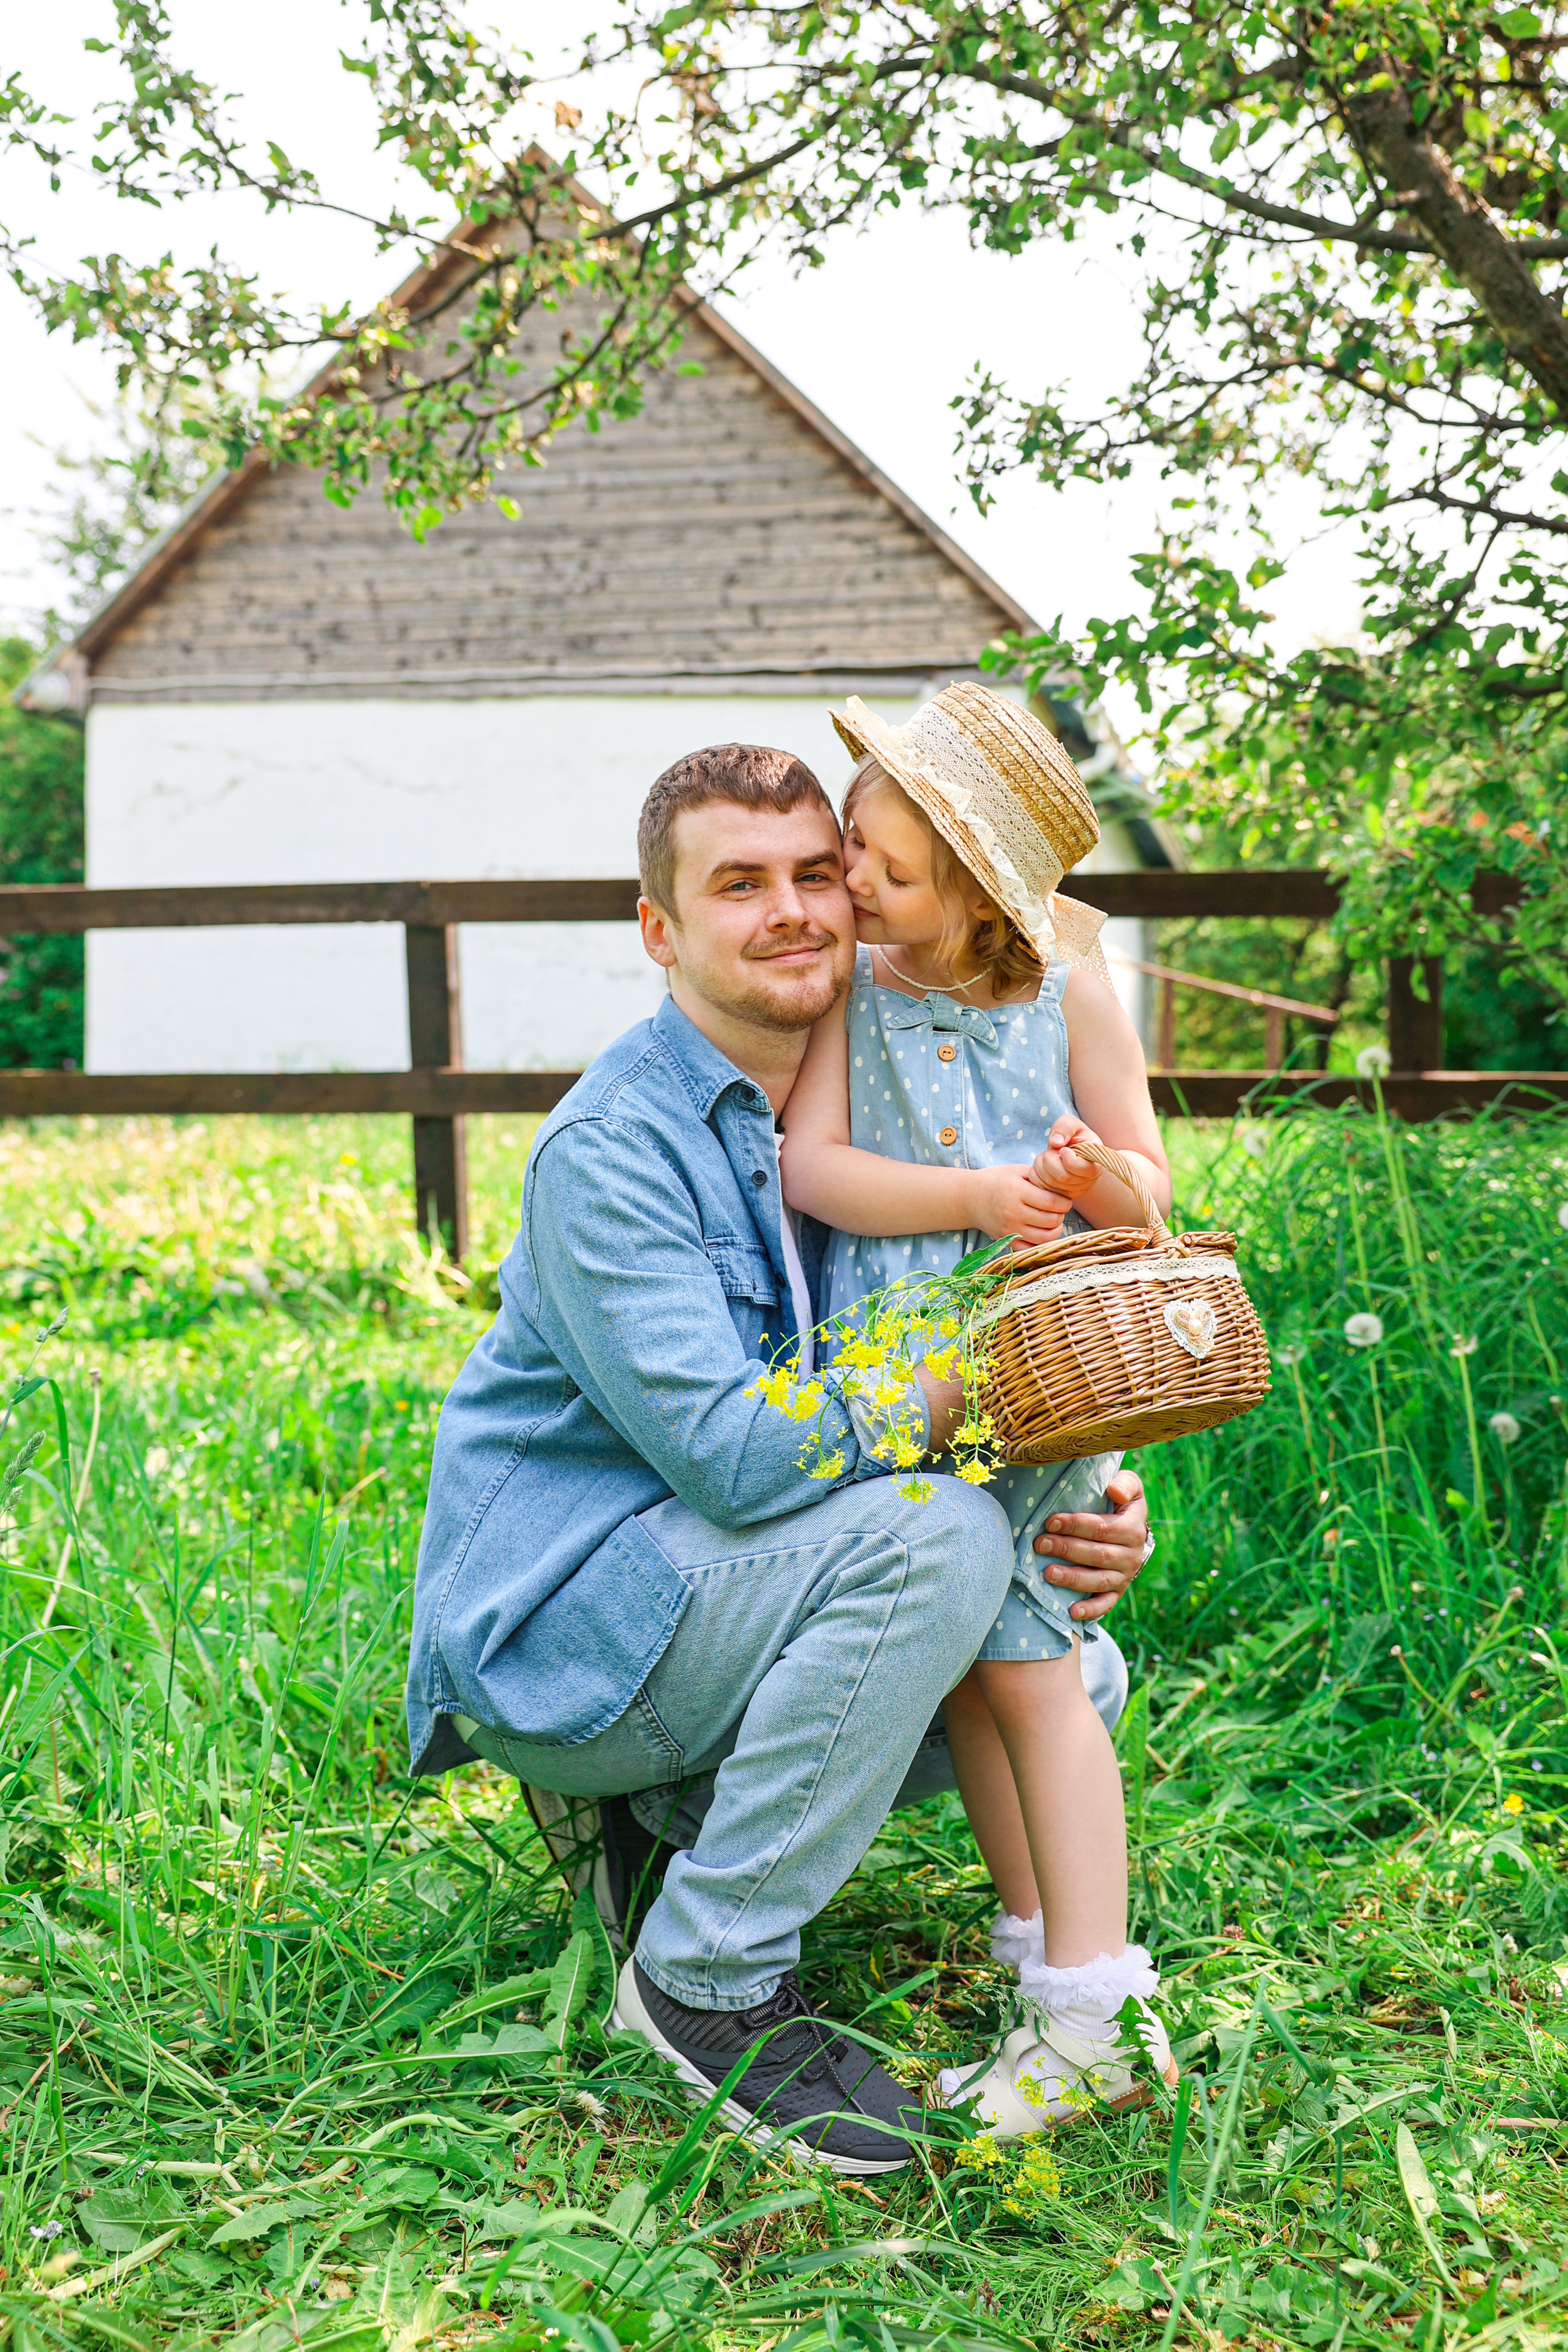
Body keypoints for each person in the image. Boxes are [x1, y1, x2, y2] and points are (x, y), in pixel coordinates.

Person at [406, 741, 1153, 2177]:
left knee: (1056, 1657)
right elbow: (744, 1463)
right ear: (659, 930)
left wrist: (1086, 1493)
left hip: (722, 1594)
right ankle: (708, 1976)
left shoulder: (867, 1088)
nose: (799, 908)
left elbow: (1009, 1259)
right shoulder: (614, 1148)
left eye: (820, 871)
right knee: (939, 1541)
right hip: (568, 1625)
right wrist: (992, 1400)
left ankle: (669, 1817)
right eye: (738, 884)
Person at [781, 683, 1177, 2131]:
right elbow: (811, 1171)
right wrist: (964, 1193)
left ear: (972, 880)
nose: (853, 886)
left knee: (1030, 1668)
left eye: (884, 869)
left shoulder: (1075, 988)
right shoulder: (856, 997)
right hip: (892, 1376)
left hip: (1030, 1363)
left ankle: (1091, 2007)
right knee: (968, 1660)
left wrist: (1081, 1183)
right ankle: (1041, 1960)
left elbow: (1147, 1192)